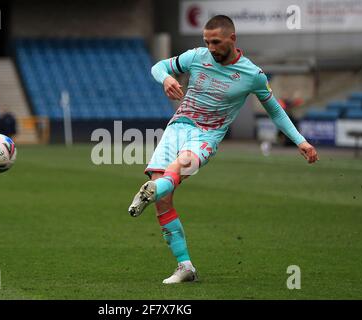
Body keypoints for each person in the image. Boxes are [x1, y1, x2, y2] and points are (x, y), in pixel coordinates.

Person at [128, 15, 319, 284]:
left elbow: (275, 109)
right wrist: (166, 79)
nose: (211, 47)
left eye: (216, 42)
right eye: (207, 41)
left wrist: (300, 140)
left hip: (207, 136)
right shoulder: (197, 56)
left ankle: (151, 190)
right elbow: (159, 66)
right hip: (178, 127)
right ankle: (185, 267)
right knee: (164, 200)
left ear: (232, 39)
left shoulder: (252, 75)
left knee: (181, 166)